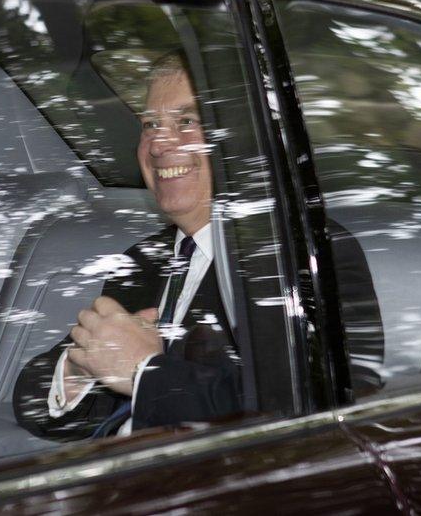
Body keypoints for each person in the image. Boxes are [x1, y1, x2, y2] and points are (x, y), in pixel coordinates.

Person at [13, 54, 246, 440]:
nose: (158, 144)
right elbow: (32, 397)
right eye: (151, 125)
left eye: (187, 122)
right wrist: (79, 369)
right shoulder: (145, 259)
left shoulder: (292, 260)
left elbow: (280, 415)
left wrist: (146, 369)